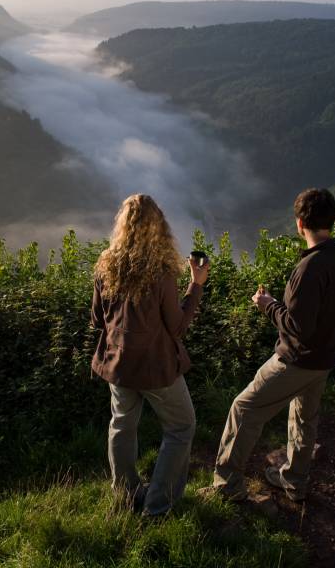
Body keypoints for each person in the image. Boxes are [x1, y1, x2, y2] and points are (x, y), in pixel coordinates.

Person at [200, 188, 335, 503]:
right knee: (303, 418)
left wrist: (267, 304)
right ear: (332, 221)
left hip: (297, 360)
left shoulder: (308, 269)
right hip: (324, 359)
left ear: (299, 224)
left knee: (244, 409)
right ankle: (295, 482)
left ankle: (227, 486)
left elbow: (298, 327)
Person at [91, 194, 210, 516]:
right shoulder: (160, 271)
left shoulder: (106, 264)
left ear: (122, 226)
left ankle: (125, 496)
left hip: (117, 364)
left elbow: (97, 319)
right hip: (155, 367)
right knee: (182, 426)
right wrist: (195, 285)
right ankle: (158, 505)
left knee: (122, 425)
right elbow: (178, 326)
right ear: (159, 227)